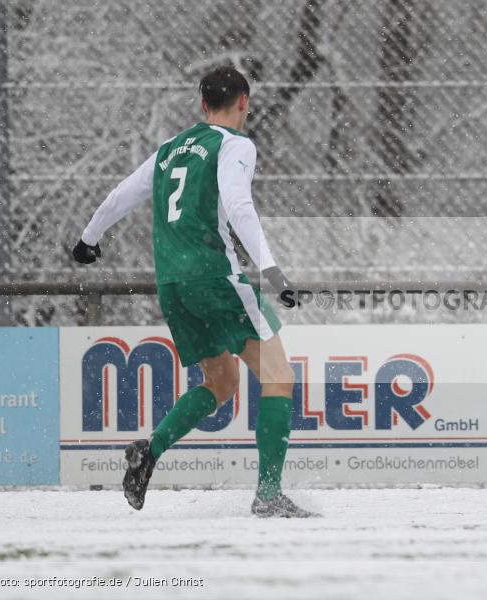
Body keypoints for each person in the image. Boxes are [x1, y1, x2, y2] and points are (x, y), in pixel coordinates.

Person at [72, 66, 316, 518]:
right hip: (215, 279)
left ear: (203, 105)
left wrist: (89, 240)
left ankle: (150, 449)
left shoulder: (168, 150)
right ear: (244, 101)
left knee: (221, 382)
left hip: (172, 286)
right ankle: (267, 495)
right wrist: (273, 272)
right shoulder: (235, 144)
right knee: (279, 376)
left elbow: (120, 195)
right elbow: (239, 204)